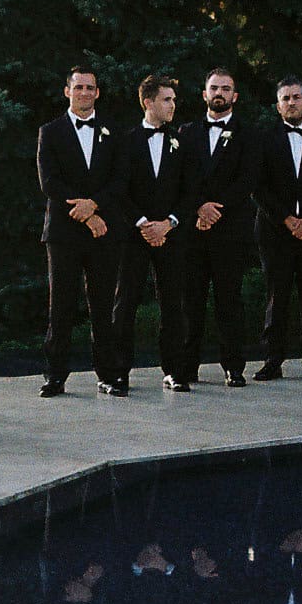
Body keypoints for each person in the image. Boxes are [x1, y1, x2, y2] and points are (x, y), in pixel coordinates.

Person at [36, 66, 124, 398]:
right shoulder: (51, 131)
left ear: (97, 93)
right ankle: (55, 375)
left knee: (103, 306)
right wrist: (87, 215)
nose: (85, 92)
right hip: (64, 232)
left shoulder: (113, 132)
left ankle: (108, 374)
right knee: (61, 306)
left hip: (104, 232)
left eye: (90, 87)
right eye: (79, 87)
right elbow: (50, 182)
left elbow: (120, 179)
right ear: (67, 91)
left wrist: (96, 206)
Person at [172, 68, 258, 388]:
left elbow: (248, 179)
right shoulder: (186, 132)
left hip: (230, 229)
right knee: (189, 301)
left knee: (229, 300)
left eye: (225, 88)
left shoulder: (248, 135)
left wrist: (215, 209)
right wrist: (199, 207)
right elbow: (179, 178)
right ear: (204, 94)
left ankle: (233, 367)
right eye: (214, 88)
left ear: (235, 96)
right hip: (193, 231)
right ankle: (185, 368)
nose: (219, 93)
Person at [105, 74, 188, 395]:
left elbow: (189, 190)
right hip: (133, 236)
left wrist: (168, 223)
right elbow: (119, 189)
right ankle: (119, 373)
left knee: (172, 303)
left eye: (174, 100)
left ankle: (175, 370)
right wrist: (142, 223)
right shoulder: (126, 142)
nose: (172, 106)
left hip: (171, 234)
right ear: (148, 102)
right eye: (167, 99)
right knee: (125, 302)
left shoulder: (181, 142)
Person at [252, 77, 302, 382]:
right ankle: (273, 360)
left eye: (296, 97)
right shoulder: (265, 138)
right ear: (277, 106)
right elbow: (258, 186)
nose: (291, 102)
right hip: (275, 231)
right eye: (285, 98)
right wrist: (287, 219)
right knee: (277, 297)